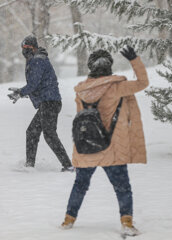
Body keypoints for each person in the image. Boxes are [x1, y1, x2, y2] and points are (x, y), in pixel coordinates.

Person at [60, 46, 149, 236]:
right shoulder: (118, 87)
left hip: (86, 147)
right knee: (122, 187)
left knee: (80, 185)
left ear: (90, 66)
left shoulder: (82, 91)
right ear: (109, 66)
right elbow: (143, 82)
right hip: (112, 149)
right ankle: (126, 222)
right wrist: (134, 60)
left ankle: (68, 219)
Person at [8, 35, 73, 172]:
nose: (24, 51)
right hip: (49, 102)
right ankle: (30, 165)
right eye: (23, 48)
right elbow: (39, 85)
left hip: (49, 103)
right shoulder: (37, 59)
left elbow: (34, 83)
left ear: (33, 48)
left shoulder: (38, 60)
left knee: (49, 134)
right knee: (32, 132)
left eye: (27, 48)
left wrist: (21, 92)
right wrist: (22, 93)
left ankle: (68, 166)